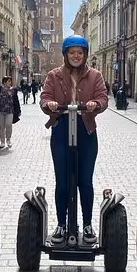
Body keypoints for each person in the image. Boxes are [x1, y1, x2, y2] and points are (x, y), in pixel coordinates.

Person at [40, 35, 108, 245]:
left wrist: (94, 104)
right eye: (72, 52)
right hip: (61, 129)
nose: (76, 56)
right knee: (62, 181)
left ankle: (87, 224)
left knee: (84, 181)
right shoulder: (54, 75)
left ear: (85, 54)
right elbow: (44, 97)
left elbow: (103, 98)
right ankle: (61, 224)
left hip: (86, 130)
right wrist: (50, 104)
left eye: (80, 52)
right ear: (66, 55)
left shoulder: (95, 75)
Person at [0, 76, 21, 149]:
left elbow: (16, 101)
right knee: (1, 127)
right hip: (0, 111)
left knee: (8, 125)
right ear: (4, 82)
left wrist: (18, 110)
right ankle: (2, 142)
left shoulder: (13, 90)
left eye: (10, 81)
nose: (10, 83)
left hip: (10, 110)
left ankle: (8, 139)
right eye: (8, 81)